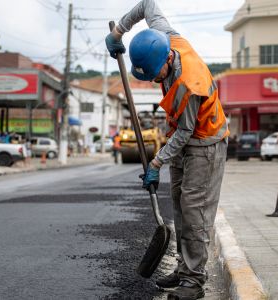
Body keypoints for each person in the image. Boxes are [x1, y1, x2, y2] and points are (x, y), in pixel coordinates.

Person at [106, 1, 229, 299]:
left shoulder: (190, 83)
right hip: (182, 136)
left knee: (194, 210)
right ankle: (184, 268)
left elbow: (187, 132)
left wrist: (156, 163)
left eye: (156, 76)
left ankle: (194, 282)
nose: (156, 81)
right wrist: (120, 31)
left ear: (166, 59)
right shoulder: (163, 35)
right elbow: (148, 3)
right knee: (179, 204)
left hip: (205, 142)